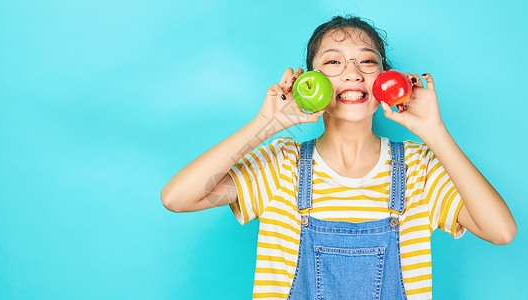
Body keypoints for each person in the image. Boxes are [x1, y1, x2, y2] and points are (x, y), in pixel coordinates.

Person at [161, 15, 516, 299]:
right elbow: (177, 198)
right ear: (308, 81)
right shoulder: (281, 165)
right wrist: (266, 124)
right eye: (333, 61)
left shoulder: (419, 168)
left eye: (367, 61)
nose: (352, 72)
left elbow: (501, 231)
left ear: (385, 81)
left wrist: (435, 132)